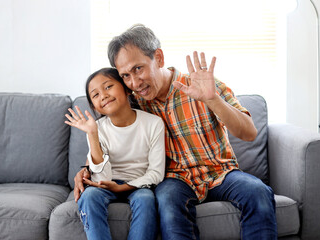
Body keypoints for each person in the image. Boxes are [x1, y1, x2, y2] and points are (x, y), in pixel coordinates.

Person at [74, 24, 277, 240]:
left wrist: (212, 100)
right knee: (168, 203)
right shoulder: (134, 101)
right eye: (125, 76)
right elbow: (112, 134)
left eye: (138, 69)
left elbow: (249, 133)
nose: (134, 83)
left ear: (159, 58)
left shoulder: (201, 86)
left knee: (258, 192)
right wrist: (87, 169)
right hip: (174, 179)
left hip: (221, 172)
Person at [65, 67, 165, 240]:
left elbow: (156, 173)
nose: (103, 95)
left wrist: (123, 187)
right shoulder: (97, 128)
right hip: (107, 182)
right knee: (89, 196)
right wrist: (93, 135)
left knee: (146, 199)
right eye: (95, 95)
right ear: (94, 105)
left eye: (108, 86)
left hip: (138, 184)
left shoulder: (153, 124)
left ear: (126, 89)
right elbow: (99, 178)